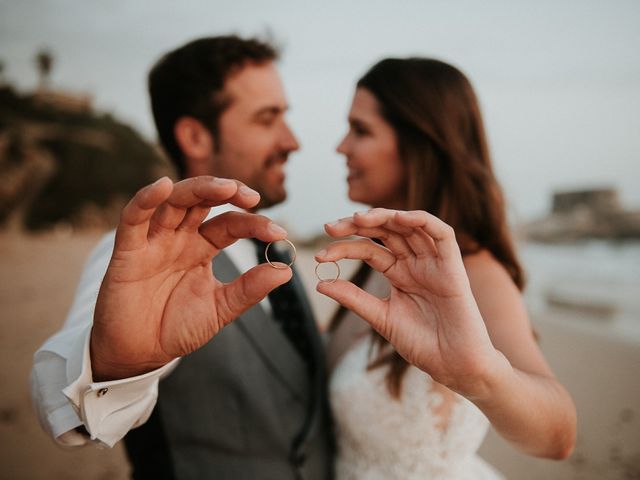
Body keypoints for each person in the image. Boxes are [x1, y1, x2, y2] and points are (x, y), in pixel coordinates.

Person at [30, 35, 334, 479]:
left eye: (286, 116)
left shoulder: (274, 247)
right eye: (268, 119)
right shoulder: (140, 255)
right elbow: (62, 399)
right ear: (194, 135)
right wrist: (115, 364)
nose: (292, 141)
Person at [312, 58, 577, 478]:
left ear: (419, 143)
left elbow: (558, 436)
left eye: (361, 130)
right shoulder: (377, 264)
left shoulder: (475, 276)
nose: (341, 146)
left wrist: (479, 375)